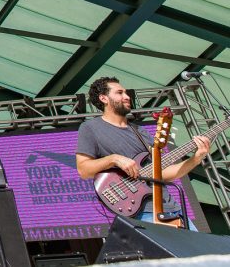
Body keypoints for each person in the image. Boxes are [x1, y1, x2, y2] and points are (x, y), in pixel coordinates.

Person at [76, 76, 209, 228]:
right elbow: (83, 170)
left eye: (126, 93)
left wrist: (196, 159)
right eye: (120, 93)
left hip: (173, 209)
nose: (127, 97)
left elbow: (162, 173)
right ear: (103, 98)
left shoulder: (139, 131)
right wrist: (114, 159)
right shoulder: (90, 128)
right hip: (142, 212)